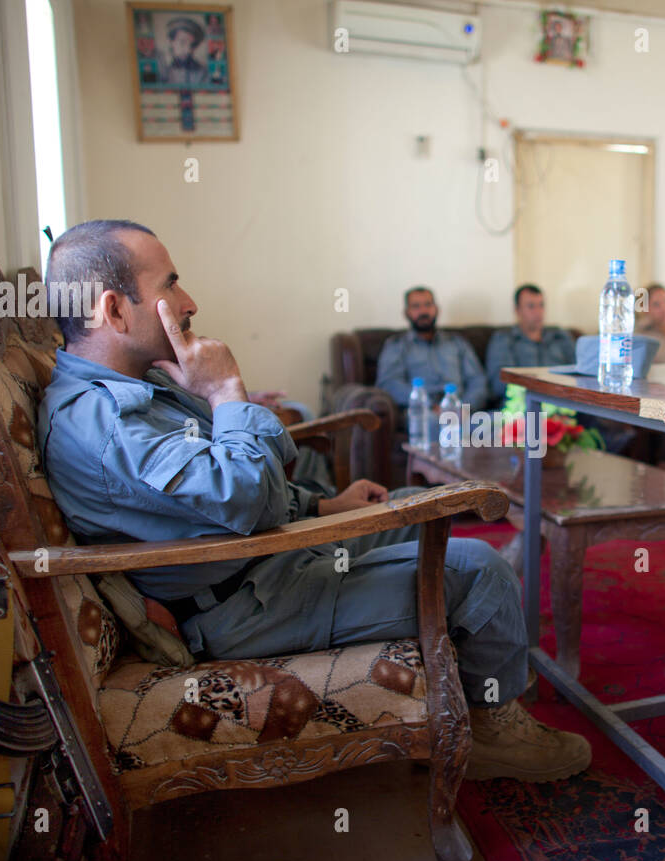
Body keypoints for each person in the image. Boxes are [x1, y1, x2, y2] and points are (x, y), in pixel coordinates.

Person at [36, 220, 590, 782]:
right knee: (482, 569)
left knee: (425, 503)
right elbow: (246, 494)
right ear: (114, 310)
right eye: (170, 284)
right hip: (243, 603)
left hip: (269, 554)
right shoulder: (104, 421)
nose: (189, 302)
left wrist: (324, 508)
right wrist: (227, 391)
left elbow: (263, 470)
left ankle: (493, 666)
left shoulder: (145, 386)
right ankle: (493, 730)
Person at [375, 287, 489, 412]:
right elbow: (389, 384)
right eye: (416, 306)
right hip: (422, 413)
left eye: (428, 305)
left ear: (437, 309)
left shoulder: (457, 343)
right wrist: (428, 404)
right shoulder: (396, 346)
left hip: (461, 410)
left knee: (501, 422)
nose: (423, 311)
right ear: (406, 313)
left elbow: (478, 381)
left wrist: (463, 408)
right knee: (434, 424)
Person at [484, 284, 576, 406]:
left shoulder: (560, 336)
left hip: (565, 404)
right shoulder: (504, 339)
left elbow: (579, 371)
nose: (538, 312)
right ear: (517, 310)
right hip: (522, 406)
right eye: (531, 306)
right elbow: (499, 383)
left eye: (541, 305)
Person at [159, 17, 208, 87]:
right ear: (171, 42)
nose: (188, 50)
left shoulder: (204, 72)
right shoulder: (164, 73)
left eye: (192, 45)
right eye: (182, 42)